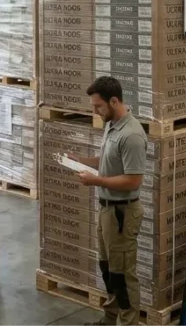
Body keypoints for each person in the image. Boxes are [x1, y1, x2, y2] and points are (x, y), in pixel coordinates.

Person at [67, 76, 147, 326]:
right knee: (108, 269)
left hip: (122, 214)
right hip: (106, 210)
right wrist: (81, 160)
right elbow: (108, 160)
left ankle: (128, 323)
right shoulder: (112, 125)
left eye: (98, 106)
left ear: (114, 101)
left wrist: (96, 181)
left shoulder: (132, 135)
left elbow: (133, 180)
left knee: (123, 276)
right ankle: (110, 319)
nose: (95, 111)